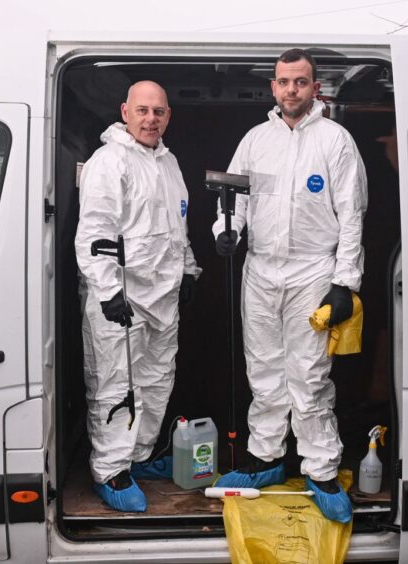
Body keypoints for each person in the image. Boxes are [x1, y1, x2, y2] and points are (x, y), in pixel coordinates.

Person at [212, 49, 367, 523]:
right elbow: (231, 198)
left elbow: (352, 217)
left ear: (314, 87)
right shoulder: (256, 140)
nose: (291, 90)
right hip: (259, 269)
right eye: (283, 82)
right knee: (263, 370)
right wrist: (225, 231)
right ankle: (265, 458)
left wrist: (344, 283)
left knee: (309, 376)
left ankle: (320, 469)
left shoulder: (336, 141)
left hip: (311, 271)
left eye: (300, 82)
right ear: (273, 88)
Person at [75, 80, 201, 513]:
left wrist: (187, 269)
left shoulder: (168, 162)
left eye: (159, 112)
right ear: (125, 111)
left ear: (168, 116)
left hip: (162, 296)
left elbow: (177, 225)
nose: (151, 119)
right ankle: (110, 469)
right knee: (115, 385)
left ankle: (139, 455)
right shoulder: (109, 162)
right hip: (122, 300)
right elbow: (93, 234)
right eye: (143, 111)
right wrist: (109, 292)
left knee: (155, 380)